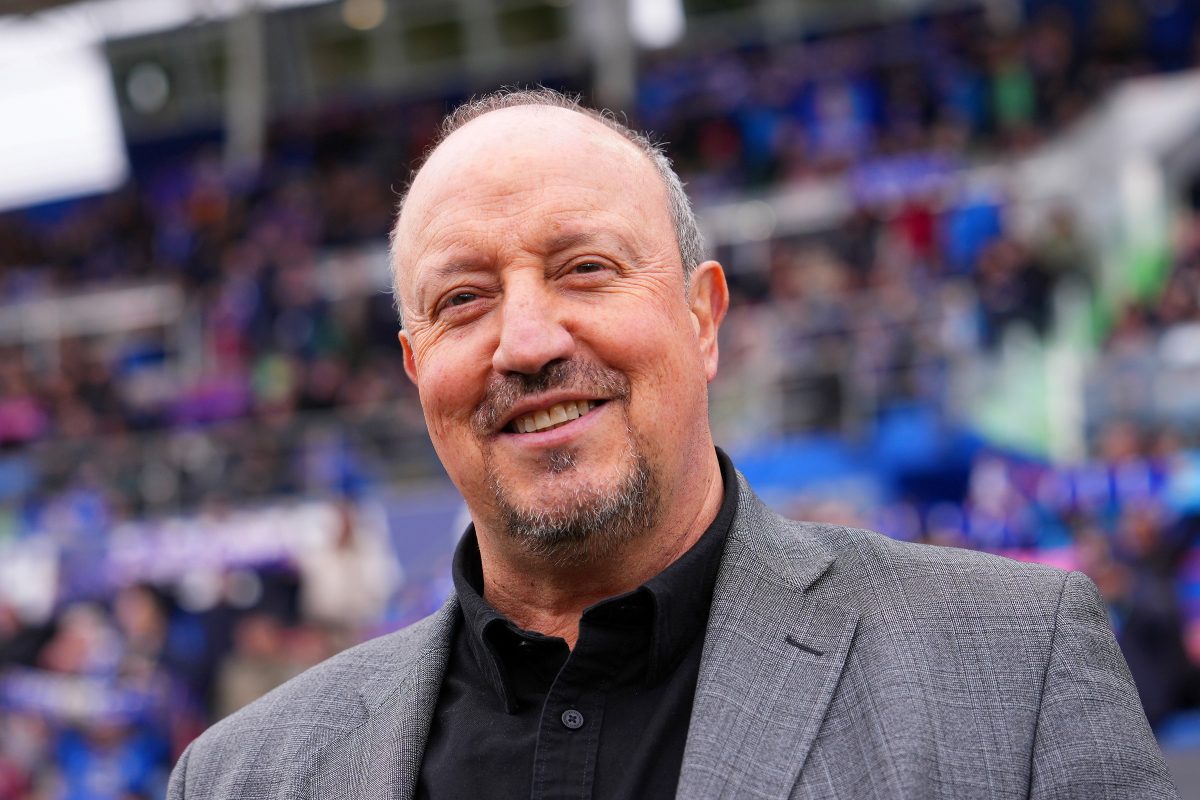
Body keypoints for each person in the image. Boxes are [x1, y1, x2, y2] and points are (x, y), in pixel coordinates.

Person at [167, 88, 1178, 799]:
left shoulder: (1009, 663)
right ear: (414, 366)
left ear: (704, 317)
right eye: (463, 300)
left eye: (587, 267)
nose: (525, 341)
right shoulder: (242, 775)